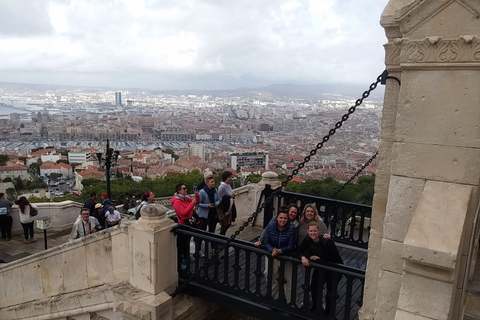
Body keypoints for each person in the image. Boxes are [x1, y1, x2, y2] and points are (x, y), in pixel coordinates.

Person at [298, 222, 344, 315]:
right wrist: (302, 256)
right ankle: (316, 308)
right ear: (307, 231)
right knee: (315, 288)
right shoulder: (308, 239)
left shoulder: (327, 242)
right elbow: (300, 249)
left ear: (319, 231)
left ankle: (328, 313)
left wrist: (320, 259)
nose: (313, 233)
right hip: (321, 268)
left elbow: (335, 258)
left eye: (315, 231)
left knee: (330, 292)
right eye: (311, 231)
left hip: (333, 270)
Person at [263, 208, 295, 303]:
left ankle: (292, 302)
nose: (282, 220)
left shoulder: (291, 228)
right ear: (277, 218)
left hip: (284, 255)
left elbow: (291, 245)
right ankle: (274, 297)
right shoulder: (271, 226)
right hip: (272, 254)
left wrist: (280, 251)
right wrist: (272, 250)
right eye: (281, 218)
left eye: (285, 218)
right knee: (270, 274)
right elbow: (266, 241)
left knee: (289, 279)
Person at [171, 183, 199, 269]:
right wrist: (192, 204)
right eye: (184, 188)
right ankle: (182, 260)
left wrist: (196, 195)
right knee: (182, 244)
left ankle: (187, 256)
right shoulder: (176, 201)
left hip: (189, 223)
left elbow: (197, 202)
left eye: (186, 188)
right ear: (179, 191)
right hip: (183, 225)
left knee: (187, 242)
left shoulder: (185, 198)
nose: (186, 189)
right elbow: (183, 213)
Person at [217, 170, 237, 235]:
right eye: (229, 177)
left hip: (229, 207)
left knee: (228, 223)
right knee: (225, 223)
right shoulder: (222, 187)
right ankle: (221, 237)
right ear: (225, 178)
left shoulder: (228, 185)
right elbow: (219, 198)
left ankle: (222, 236)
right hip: (224, 208)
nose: (231, 178)